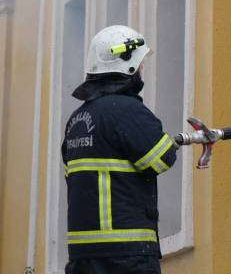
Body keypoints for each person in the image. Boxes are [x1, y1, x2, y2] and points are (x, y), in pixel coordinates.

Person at [62, 25, 178, 274]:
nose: (142, 69)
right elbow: (160, 159)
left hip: (83, 258)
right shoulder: (126, 110)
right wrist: (172, 143)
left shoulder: (77, 120)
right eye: (140, 63)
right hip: (126, 256)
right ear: (129, 66)